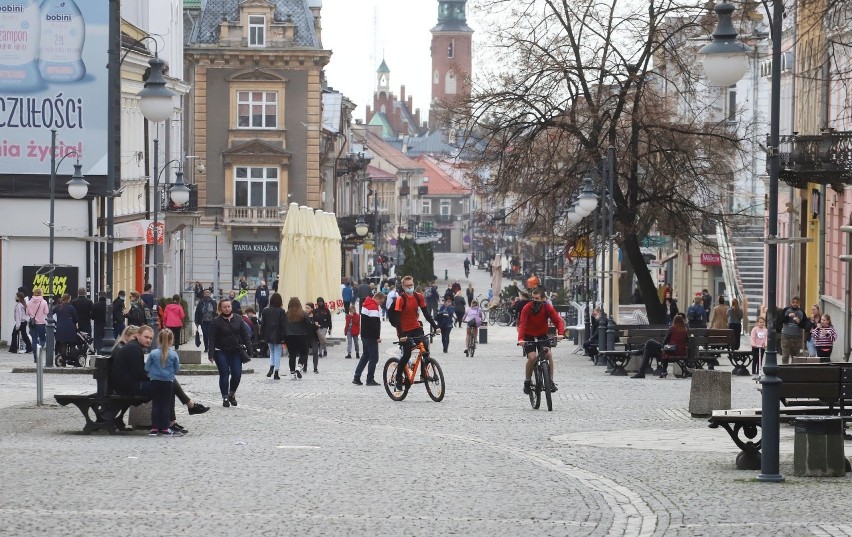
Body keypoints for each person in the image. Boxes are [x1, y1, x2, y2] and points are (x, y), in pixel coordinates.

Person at [389, 275, 439, 391]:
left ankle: (423, 374)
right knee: (406, 354)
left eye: (411, 285)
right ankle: (398, 378)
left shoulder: (419, 297)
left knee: (425, 349)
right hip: (404, 329)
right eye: (407, 286)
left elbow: (426, 313)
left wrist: (435, 326)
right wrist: (401, 336)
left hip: (416, 327)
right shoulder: (401, 299)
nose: (410, 287)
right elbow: (397, 318)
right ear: (403, 286)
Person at [517, 287, 565, 393]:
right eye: (533, 298)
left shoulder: (547, 308)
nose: (534, 300)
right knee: (532, 357)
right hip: (528, 336)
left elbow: (557, 320)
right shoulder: (527, 307)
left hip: (541, 335)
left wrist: (560, 333)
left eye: (537, 298)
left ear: (543, 299)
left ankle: (551, 381)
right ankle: (527, 381)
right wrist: (520, 339)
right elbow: (522, 323)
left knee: (548, 355)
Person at [208, 298, 252, 407]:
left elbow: (245, 335)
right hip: (220, 351)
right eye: (224, 307)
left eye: (229, 306)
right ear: (220, 308)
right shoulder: (216, 321)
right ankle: (225, 397)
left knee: (237, 374)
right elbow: (212, 339)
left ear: (231, 307)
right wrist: (211, 354)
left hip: (235, 351)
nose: (227, 309)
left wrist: (250, 349)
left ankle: (231, 393)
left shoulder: (238, 318)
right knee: (224, 373)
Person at [145, 329, 182, 436]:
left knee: (156, 404)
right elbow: (176, 370)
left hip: (155, 381)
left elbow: (146, 367)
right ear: (171, 341)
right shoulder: (174, 354)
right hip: (168, 382)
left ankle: (155, 428)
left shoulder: (153, 353)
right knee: (165, 405)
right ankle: (165, 428)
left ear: (158, 339)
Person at [631, 314, 689, 379]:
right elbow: (686, 341)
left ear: (674, 321)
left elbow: (664, 342)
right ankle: (641, 371)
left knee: (649, 342)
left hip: (670, 351)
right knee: (647, 350)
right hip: (681, 352)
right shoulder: (685, 330)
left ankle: (641, 368)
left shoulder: (672, 329)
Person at [353, 292, 385, 385]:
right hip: (371, 336)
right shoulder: (373, 307)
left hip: (364, 335)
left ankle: (357, 377)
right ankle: (370, 379)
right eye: (381, 302)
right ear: (377, 298)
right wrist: (377, 337)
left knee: (366, 355)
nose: (380, 304)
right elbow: (374, 324)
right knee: (374, 358)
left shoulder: (365, 304)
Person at [260, 292, 287, 379]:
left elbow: (262, 324)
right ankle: (276, 372)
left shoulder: (265, 310)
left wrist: (262, 335)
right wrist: (284, 337)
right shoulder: (281, 311)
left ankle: (271, 367)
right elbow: (283, 325)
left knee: (271, 352)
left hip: (268, 334)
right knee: (277, 353)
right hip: (278, 334)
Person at [284, 297, 311, 378]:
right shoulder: (303, 313)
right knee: (304, 353)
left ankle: (292, 372)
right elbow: (309, 324)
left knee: (292, 355)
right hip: (301, 336)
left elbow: (283, 326)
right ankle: (299, 367)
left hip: (289, 336)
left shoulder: (286, 314)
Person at [780, 296, 805, 365]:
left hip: (797, 338)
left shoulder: (801, 312)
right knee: (785, 356)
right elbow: (781, 320)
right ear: (791, 303)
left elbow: (804, 325)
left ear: (799, 303)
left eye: (797, 302)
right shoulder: (786, 310)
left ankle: (794, 371)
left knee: (796, 357)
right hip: (786, 336)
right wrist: (788, 316)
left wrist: (799, 321)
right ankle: (784, 371)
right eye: (793, 302)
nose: (795, 304)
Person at [26, 288, 49, 363]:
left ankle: (35, 357)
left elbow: (27, 313)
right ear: (41, 293)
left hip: (32, 324)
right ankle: (39, 351)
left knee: (34, 340)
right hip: (41, 323)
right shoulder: (44, 302)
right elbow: (46, 312)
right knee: (43, 339)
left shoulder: (29, 302)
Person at [53, 294, 79, 361]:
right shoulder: (71, 307)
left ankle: (63, 362)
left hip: (60, 328)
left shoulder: (58, 307)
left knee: (63, 345)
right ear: (68, 299)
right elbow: (75, 319)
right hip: (70, 328)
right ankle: (75, 361)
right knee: (72, 345)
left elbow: (50, 314)